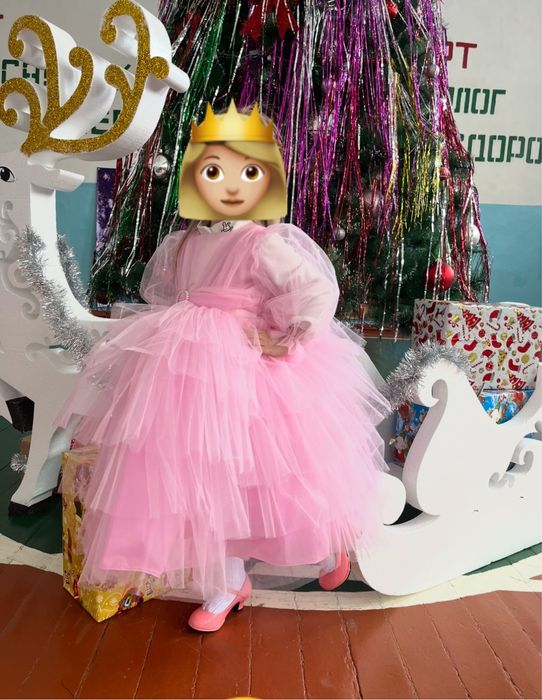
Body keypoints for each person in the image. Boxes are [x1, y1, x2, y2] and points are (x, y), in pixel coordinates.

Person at [56, 101, 390, 632]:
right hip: (189, 377)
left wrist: (284, 339)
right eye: (214, 172)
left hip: (248, 375)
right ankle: (228, 582)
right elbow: (168, 295)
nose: (229, 186)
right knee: (204, 482)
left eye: (247, 173)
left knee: (275, 476)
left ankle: (329, 547)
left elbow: (315, 292)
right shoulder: (182, 242)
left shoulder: (262, 243)